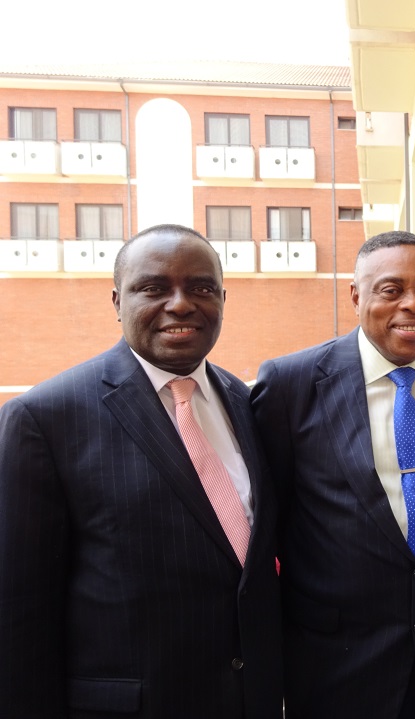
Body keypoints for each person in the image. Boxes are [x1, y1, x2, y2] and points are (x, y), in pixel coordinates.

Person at [0, 225, 283, 718]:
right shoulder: (45, 418)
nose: (180, 304)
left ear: (222, 297)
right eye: (154, 288)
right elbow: (20, 616)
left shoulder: (245, 400)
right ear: (116, 300)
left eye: (201, 288)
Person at [251, 231, 415, 718]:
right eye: (392, 290)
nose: (414, 305)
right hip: (334, 660)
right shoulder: (291, 385)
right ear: (356, 296)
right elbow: (271, 520)